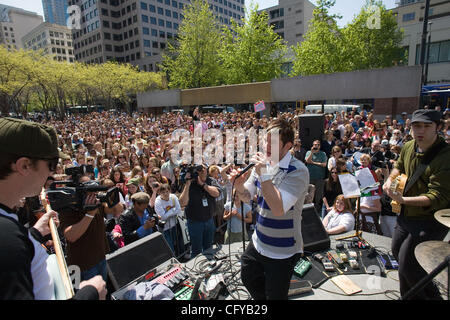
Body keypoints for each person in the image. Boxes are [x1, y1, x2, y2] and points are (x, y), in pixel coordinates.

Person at [0, 117, 106, 300]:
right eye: (52, 165)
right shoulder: (6, 237)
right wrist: (90, 293)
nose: (52, 173)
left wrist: (32, 234)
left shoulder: (8, 232)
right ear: (24, 165)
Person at [231, 118, 309, 300]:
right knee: (248, 277)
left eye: (273, 142)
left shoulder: (298, 171)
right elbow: (247, 197)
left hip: (283, 250)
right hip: (259, 241)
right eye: (266, 140)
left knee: (276, 295)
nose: (266, 145)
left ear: (287, 145)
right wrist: (240, 186)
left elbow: (278, 208)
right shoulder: (263, 165)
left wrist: (264, 173)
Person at [383, 109, 450, 300]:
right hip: (405, 215)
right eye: (416, 126)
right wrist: (390, 181)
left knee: (408, 264)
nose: (420, 131)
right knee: (398, 253)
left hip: (429, 219)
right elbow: (399, 166)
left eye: (426, 126)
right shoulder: (409, 146)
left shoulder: (445, 156)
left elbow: (437, 196)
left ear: (438, 127)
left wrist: (404, 200)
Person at [59, 175, 110, 282]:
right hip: (82, 266)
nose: (93, 192)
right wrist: (89, 215)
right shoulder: (68, 207)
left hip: (100, 258)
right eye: (88, 188)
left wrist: (111, 196)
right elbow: (70, 236)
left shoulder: (96, 200)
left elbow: (116, 211)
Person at [179, 164, 220, 257]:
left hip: (209, 220)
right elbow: (182, 203)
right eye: (199, 170)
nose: (202, 171)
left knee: (208, 247)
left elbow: (216, 193)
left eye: (203, 169)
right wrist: (188, 184)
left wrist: (203, 185)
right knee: (196, 250)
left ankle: (209, 266)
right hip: (195, 223)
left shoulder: (211, 181)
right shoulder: (189, 183)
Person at [154, 184, 184, 255]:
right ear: (159, 193)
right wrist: (172, 210)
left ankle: (182, 254)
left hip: (175, 224)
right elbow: (162, 217)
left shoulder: (173, 197)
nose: (165, 194)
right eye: (163, 192)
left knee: (178, 241)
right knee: (169, 244)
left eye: (167, 191)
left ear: (169, 191)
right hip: (165, 228)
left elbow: (178, 210)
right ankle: (173, 257)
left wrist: (167, 213)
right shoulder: (158, 201)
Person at [305, 140, 328, 213]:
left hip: (319, 178)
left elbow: (324, 164)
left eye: (317, 145)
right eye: (314, 145)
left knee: (318, 195)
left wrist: (313, 163)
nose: (316, 146)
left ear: (320, 146)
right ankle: (308, 210)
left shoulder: (323, 154)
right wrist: (312, 152)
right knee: (308, 194)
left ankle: (317, 211)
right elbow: (307, 161)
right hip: (310, 177)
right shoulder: (309, 152)